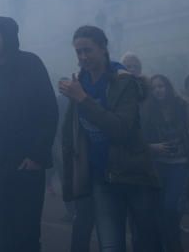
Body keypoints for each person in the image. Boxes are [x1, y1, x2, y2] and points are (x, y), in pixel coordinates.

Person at [59, 25, 161, 252]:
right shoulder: (80, 81)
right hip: (101, 177)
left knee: (146, 242)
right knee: (111, 245)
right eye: (78, 52)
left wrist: (83, 99)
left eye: (88, 50)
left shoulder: (122, 81)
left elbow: (121, 129)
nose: (83, 57)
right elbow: (73, 132)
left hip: (133, 172)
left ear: (103, 48)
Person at [0, 16, 57, 251]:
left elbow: (48, 111)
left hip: (27, 164)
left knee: (27, 233)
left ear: (7, 36)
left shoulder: (31, 64)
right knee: (3, 231)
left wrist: (38, 155)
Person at [142, 75, 189, 252]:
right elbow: (142, 139)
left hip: (180, 162)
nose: (158, 90)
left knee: (171, 205)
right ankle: (170, 243)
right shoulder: (148, 110)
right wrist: (153, 147)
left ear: (168, 87)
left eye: (161, 86)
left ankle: (173, 242)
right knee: (161, 208)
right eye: (154, 88)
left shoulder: (181, 106)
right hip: (159, 164)